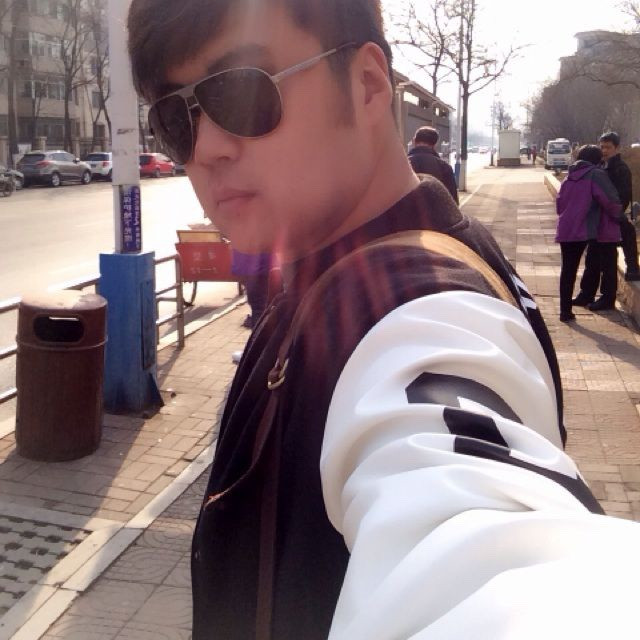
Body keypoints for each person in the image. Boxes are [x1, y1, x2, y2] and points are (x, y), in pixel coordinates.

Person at [128, 2, 640, 638]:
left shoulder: (429, 313)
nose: (206, 149)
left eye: (240, 92)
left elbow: (471, 528)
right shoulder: (366, 262)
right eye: (175, 119)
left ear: (368, 84)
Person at [555, 145, 621, 322]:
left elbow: (559, 204)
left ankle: (565, 311)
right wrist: (619, 216)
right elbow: (609, 200)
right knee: (594, 262)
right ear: (597, 159)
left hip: (565, 227)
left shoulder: (569, 176)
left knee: (567, 270)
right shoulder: (596, 174)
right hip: (584, 228)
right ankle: (595, 297)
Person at [575, 131, 640, 311]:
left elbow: (623, 198)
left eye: (608, 147)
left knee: (608, 261)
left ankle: (607, 297)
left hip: (610, 220)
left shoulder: (620, 169)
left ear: (616, 148)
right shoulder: (600, 166)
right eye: (602, 147)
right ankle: (586, 293)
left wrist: (610, 212)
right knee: (592, 259)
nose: (604, 151)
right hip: (598, 221)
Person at [407, 126, 458, 203]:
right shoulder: (445, 167)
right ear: (435, 145)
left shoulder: (402, 165)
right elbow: (453, 200)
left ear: (414, 141)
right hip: (436, 209)